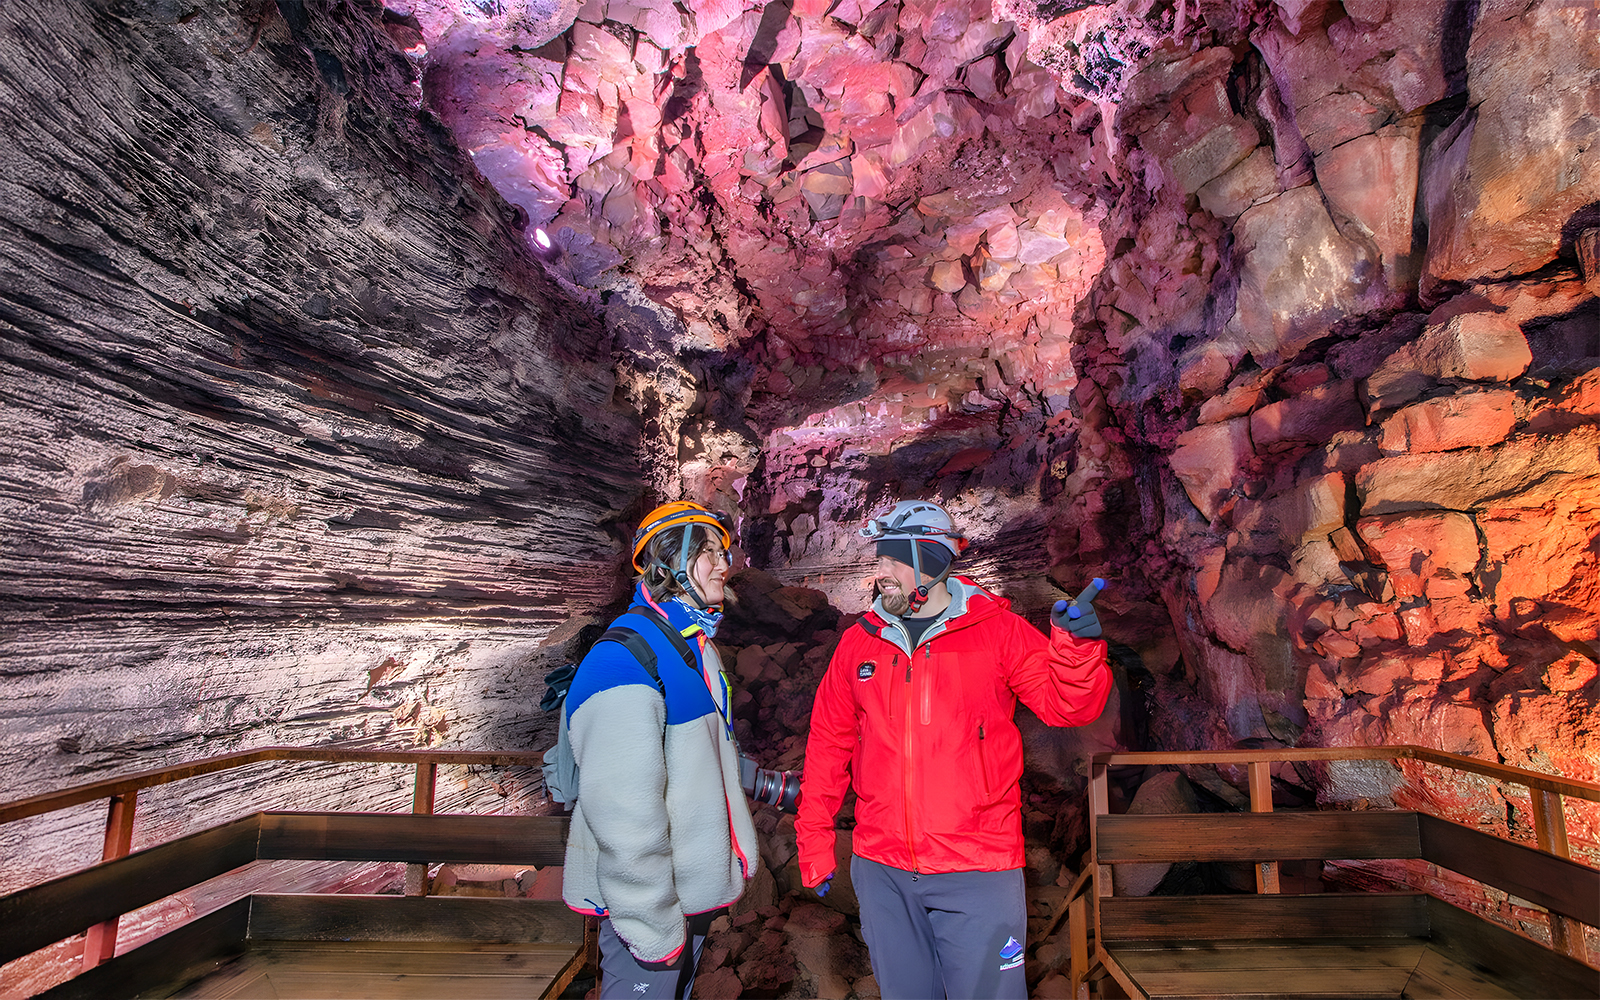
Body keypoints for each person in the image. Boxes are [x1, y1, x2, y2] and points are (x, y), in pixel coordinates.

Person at [795, 499, 1112, 1000]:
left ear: (933, 561)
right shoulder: (859, 644)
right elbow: (828, 745)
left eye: (894, 559)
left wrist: (1075, 650)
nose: (881, 573)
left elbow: (1067, 708)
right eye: (880, 559)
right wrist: (815, 840)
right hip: (883, 871)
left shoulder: (999, 632)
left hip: (978, 868)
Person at [561, 501, 760, 999]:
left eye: (724, 552)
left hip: (684, 899)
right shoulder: (625, 659)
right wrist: (652, 931)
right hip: (650, 917)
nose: (724, 565)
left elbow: (704, 761)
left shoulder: (694, 648)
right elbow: (624, 818)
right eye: (708, 553)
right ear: (666, 565)